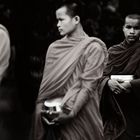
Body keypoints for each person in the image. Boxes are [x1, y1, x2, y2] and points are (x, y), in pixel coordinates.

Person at [31, 0, 108, 140]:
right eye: (57, 20)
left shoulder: (93, 48)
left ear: (76, 19)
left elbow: (88, 86)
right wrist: (41, 114)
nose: (58, 25)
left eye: (61, 20)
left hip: (83, 115)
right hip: (52, 115)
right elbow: (45, 89)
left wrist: (71, 114)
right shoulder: (54, 48)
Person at [100, 14, 140, 140]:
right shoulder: (113, 51)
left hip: (135, 109)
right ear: (123, 28)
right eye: (128, 27)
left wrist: (131, 84)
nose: (132, 32)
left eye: (137, 28)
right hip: (114, 109)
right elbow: (99, 76)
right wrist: (107, 82)